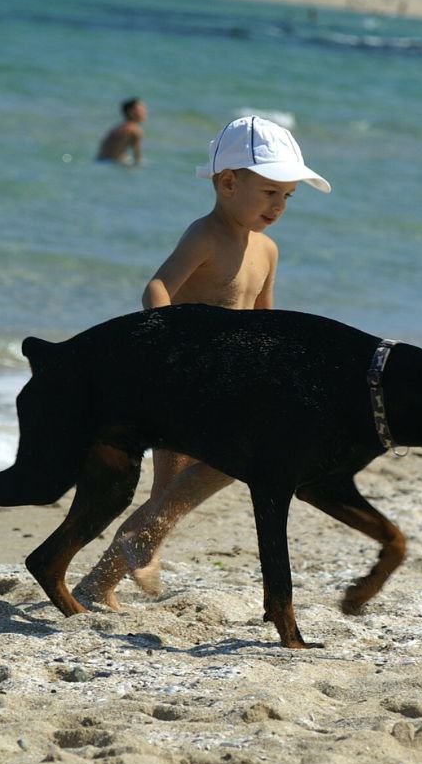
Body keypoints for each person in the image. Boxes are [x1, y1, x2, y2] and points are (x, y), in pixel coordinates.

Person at [74, 116, 331, 609]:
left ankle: (102, 579)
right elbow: (158, 286)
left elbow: (264, 318)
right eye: (270, 192)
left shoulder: (269, 250)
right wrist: (169, 337)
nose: (278, 206)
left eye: (287, 197)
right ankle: (115, 570)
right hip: (182, 380)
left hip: (228, 384)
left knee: (187, 488)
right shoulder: (205, 236)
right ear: (229, 182)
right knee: (173, 486)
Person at [96, 97, 148, 166]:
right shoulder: (135, 130)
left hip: (99, 161)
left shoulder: (118, 127)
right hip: (112, 164)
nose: (145, 112)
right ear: (131, 112)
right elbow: (137, 158)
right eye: (141, 109)